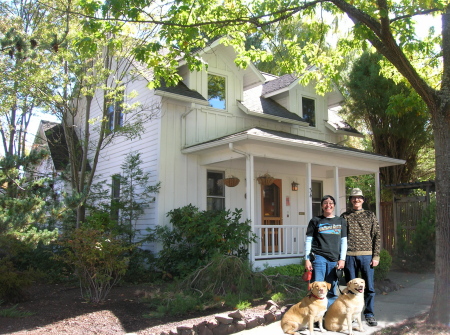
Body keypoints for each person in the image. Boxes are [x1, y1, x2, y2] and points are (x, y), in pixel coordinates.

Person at [341, 188, 380, 327]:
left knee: (369, 287)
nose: (356, 200)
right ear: (350, 200)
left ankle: (369, 314)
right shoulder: (345, 216)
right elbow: (340, 237)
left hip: (367, 257)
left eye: (359, 197)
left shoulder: (370, 215)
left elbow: (376, 236)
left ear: (363, 200)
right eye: (353, 197)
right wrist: (341, 258)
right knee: (351, 288)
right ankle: (351, 315)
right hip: (349, 257)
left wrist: (376, 256)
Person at [304, 195, 347, 307]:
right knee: (317, 289)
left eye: (331, 203)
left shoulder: (341, 221)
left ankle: (329, 315)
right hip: (319, 258)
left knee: (332, 289)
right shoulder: (315, 220)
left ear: (334, 205)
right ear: (322, 206)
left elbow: (344, 242)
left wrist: (342, 259)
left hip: (334, 259)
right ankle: (317, 316)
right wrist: (307, 259)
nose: (328, 205)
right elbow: (309, 240)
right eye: (325, 203)